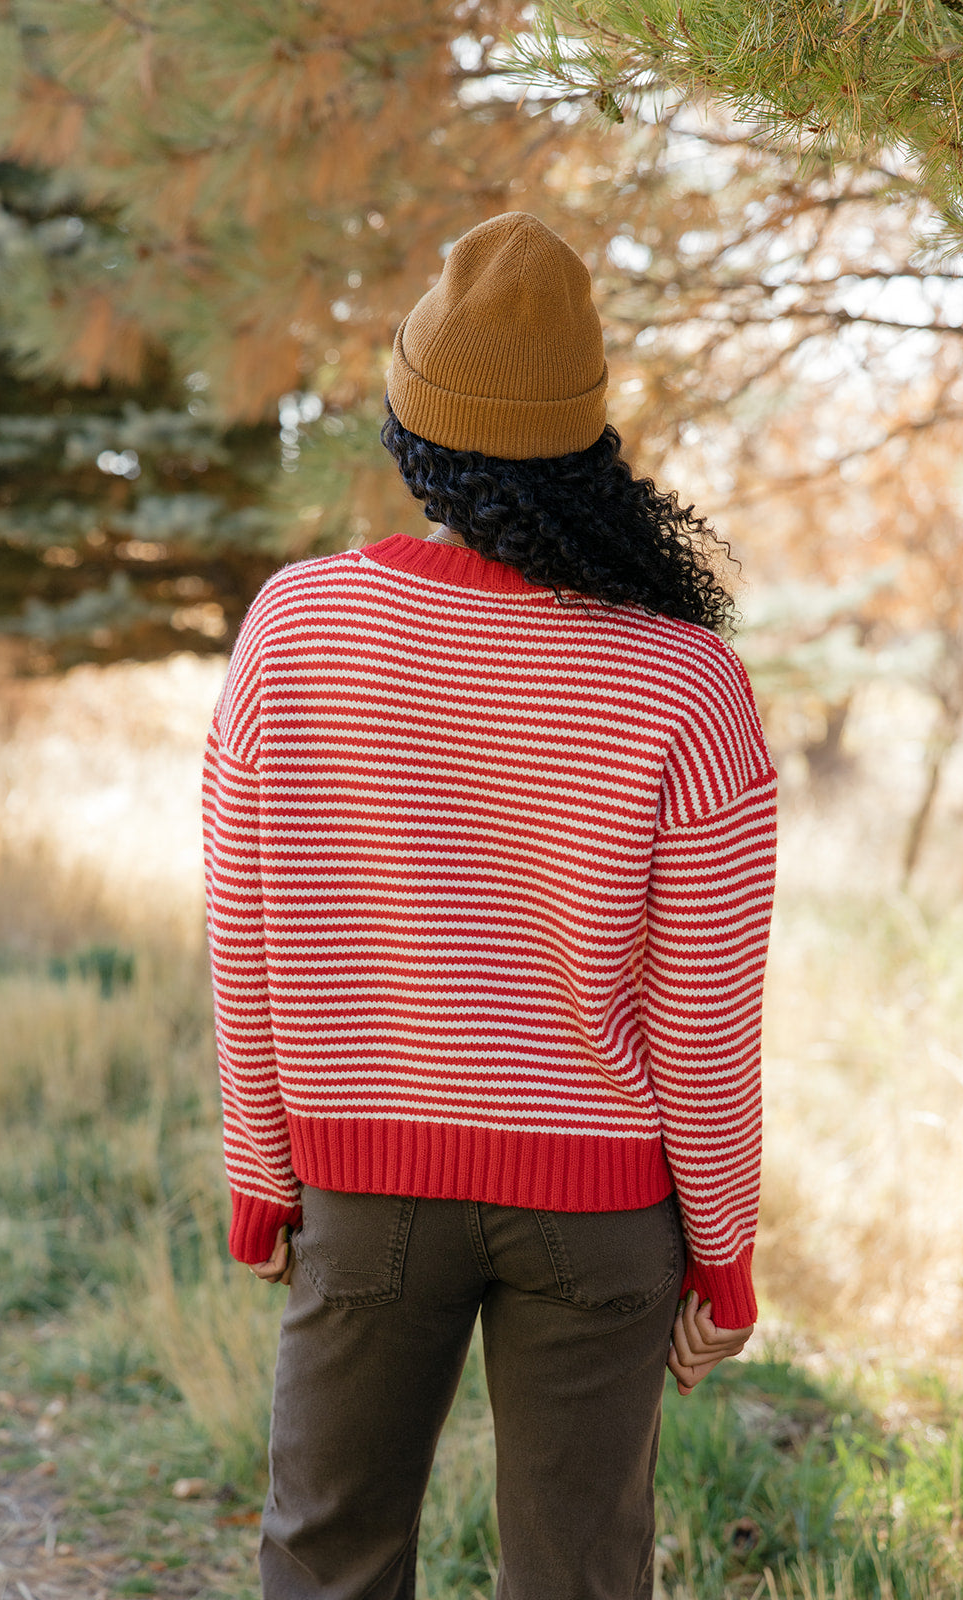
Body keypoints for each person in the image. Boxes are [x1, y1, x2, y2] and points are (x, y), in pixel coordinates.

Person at [202, 211, 777, 1600]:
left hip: (365, 1179)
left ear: (413, 432)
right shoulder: (687, 683)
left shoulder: (293, 626)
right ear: (589, 447)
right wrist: (726, 1251)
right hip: (602, 1208)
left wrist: (259, 1167)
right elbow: (705, 1018)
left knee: (325, 1558)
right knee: (581, 1580)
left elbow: (248, 929)